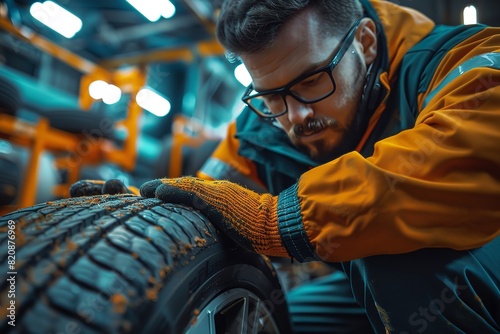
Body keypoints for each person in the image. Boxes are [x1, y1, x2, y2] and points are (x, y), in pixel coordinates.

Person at [77, 0, 500, 332]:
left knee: (403, 267)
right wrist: (144, 215)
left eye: (312, 81)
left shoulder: (461, 57)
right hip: (361, 285)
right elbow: (203, 198)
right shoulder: (256, 131)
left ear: (366, 43)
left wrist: (280, 220)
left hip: (470, 266)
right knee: (278, 319)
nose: (294, 117)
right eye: (272, 96)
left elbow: (474, 150)